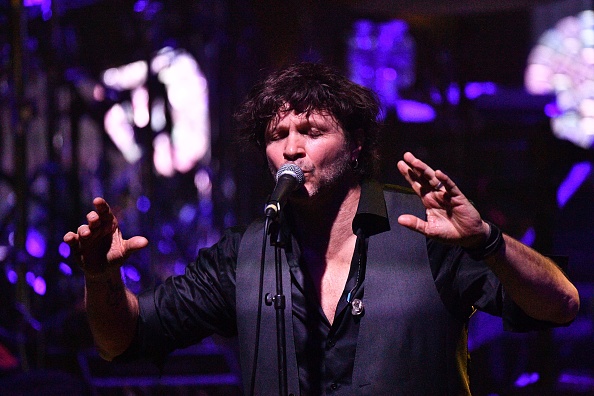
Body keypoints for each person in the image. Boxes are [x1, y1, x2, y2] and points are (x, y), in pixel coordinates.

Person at [64, 62, 580, 395]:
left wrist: (487, 240)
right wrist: (103, 279)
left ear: (355, 144)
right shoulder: (243, 256)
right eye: (278, 135)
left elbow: (560, 305)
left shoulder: (427, 233)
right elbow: (121, 342)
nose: (292, 148)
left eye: (311, 131)